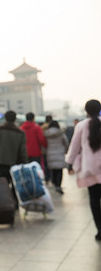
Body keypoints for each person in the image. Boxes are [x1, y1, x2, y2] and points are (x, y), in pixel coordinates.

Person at [66, 99, 101, 241]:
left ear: (86, 111)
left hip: (90, 169)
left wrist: (69, 163)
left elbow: (74, 147)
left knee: (94, 199)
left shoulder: (81, 125)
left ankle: (99, 229)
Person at [0, 110, 28, 209]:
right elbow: (23, 150)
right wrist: (24, 162)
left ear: (5, 118)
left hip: (2, 161)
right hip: (16, 163)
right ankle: (15, 203)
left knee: (4, 184)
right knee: (16, 185)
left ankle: (5, 204)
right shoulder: (20, 132)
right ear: (15, 119)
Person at [44, 120, 69, 194]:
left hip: (49, 153)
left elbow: (44, 143)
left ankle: (54, 183)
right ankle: (58, 185)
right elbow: (66, 142)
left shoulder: (46, 133)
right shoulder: (61, 133)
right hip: (59, 153)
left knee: (53, 170)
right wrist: (65, 150)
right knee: (59, 171)